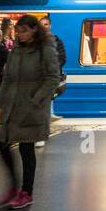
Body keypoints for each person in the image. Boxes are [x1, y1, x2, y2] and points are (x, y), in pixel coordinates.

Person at [0, 14, 60, 211]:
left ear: (34, 30)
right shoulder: (16, 50)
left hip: (31, 108)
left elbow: (52, 78)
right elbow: (8, 79)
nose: (19, 35)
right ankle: (13, 188)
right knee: (2, 144)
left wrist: (36, 100)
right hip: (13, 106)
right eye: (17, 31)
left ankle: (26, 193)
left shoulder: (45, 49)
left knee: (26, 149)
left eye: (24, 31)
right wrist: (1, 105)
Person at [38, 15, 67, 143]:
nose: (44, 27)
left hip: (49, 78)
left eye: (46, 24)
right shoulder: (33, 41)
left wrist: (52, 69)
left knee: (44, 104)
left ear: (50, 26)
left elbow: (62, 58)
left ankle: (43, 132)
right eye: (41, 24)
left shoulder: (57, 41)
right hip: (36, 78)